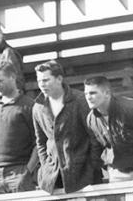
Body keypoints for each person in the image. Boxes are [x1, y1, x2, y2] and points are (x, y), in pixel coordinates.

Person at [32, 61, 99, 193]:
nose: (42, 85)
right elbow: (41, 143)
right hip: (53, 177)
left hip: (83, 174)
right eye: (39, 81)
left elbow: (95, 136)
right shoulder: (38, 107)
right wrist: (46, 165)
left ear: (59, 79)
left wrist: (93, 165)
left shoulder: (80, 100)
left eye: (46, 80)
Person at [0, 62, 38, 195]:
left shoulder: (30, 106)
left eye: (0, 81)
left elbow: (39, 143)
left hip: (19, 172)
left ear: (12, 77)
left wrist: (28, 170)